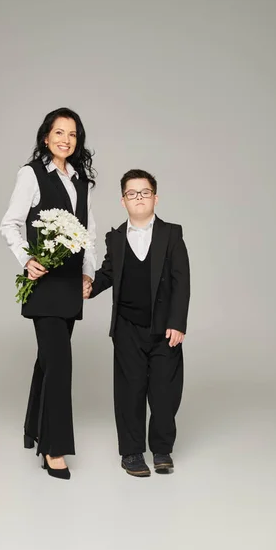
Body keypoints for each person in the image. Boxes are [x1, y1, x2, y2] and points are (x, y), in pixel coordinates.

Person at [1, 108, 96, 480]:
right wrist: (27, 259)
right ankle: (53, 449)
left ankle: (32, 428)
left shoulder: (82, 181)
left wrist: (88, 274)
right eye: (59, 132)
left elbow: (88, 231)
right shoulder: (31, 174)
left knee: (48, 360)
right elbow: (10, 222)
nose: (66, 140)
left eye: (72, 135)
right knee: (60, 363)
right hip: (44, 286)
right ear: (46, 137)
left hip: (71, 284)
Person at [83, 169, 190, 477]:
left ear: (155, 197)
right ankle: (131, 452)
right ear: (123, 200)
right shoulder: (115, 238)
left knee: (164, 391)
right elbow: (108, 273)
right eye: (132, 193)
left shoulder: (172, 234)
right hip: (127, 326)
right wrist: (89, 286)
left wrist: (178, 322)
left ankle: (161, 449)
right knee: (129, 390)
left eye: (144, 192)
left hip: (164, 328)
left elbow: (181, 282)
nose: (139, 198)